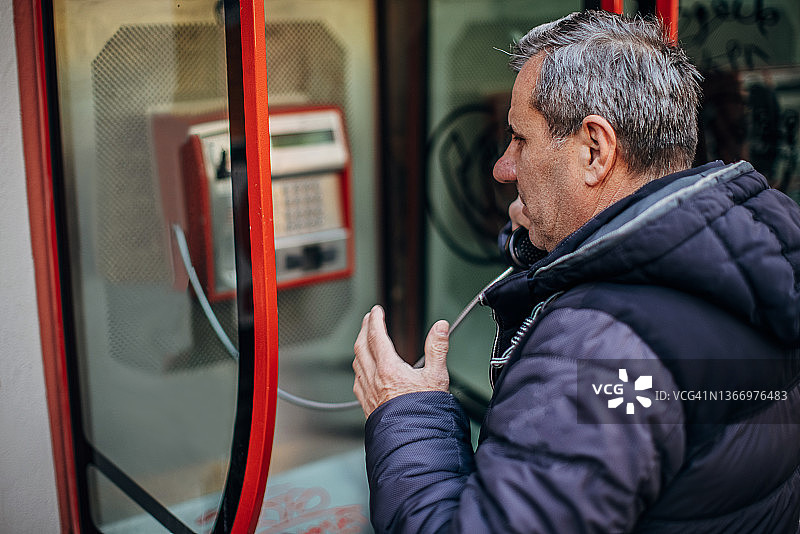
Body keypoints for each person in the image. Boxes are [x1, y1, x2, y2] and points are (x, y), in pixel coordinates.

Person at [353, 10, 800, 533]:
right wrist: (549, 253)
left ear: (595, 150)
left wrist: (408, 415)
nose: (502, 167)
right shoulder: (748, 262)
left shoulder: (595, 357)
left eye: (520, 139)